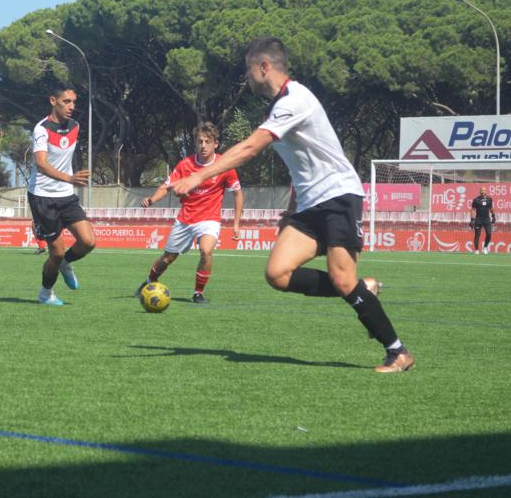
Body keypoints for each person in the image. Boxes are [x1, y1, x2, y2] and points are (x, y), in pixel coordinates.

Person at [172, 37, 415, 373]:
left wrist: (199, 176)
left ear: (264, 67)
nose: (246, 76)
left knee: (342, 279)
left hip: (338, 197)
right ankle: (364, 289)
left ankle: (397, 351)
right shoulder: (276, 108)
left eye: (248, 69)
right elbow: (300, 164)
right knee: (277, 273)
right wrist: (290, 209)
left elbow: (250, 148)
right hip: (308, 205)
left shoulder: (295, 99)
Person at [137, 122, 244, 304]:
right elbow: (167, 186)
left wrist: (235, 223)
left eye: (207, 142)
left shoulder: (224, 166)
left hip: (209, 219)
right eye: (200, 141)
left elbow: (238, 193)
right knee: (168, 258)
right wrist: (152, 199)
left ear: (215, 144)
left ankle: (198, 293)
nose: (203, 145)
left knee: (206, 251)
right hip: (186, 219)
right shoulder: (185, 165)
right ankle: (149, 282)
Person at [27, 84, 96, 306]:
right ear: (53, 101)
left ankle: (67, 263)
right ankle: (45, 294)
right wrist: (70, 178)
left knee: (88, 241)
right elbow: (41, 165)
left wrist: (70, 180)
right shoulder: (41, 129)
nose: (72, 107)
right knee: (55, 253)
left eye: (74, 102)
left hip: (65, 195)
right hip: (43, 196)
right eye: (67, 102)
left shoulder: (75, 126)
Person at [470, 187, 496, 254]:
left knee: (489, 233)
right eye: (481, 190)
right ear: (480, 191)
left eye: (483, 190)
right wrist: (472, 219)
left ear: (486, 191)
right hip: (478, 219)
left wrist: (493, 216)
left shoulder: (489, 199)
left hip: (487, 219)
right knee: (477, 235)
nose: (482, 191)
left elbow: (491, 208)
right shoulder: (476, 200)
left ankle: (485, 247)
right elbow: (473, 209)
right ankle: (476, 250)